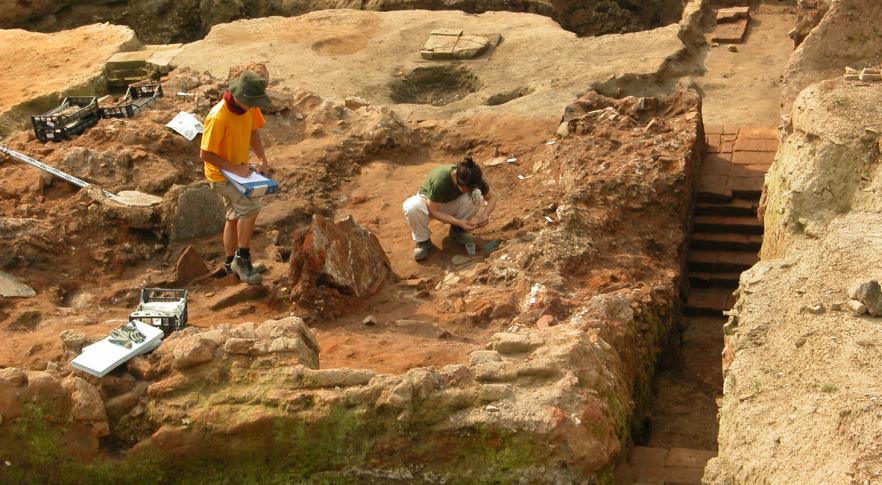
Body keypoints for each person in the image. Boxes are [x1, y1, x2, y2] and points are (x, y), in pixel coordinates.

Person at [200, 71, 272, 285]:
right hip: (220, 176)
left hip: (237, 171)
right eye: (252, 102)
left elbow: (253, 132)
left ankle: (230, 263)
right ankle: (242, 260)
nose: (254, 106)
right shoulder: (217, 117)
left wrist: (262, 158)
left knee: (233, 216)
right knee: (251, 208)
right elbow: (205, 154)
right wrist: (234, 169)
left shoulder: (250, 107)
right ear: (240, 97)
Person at [402, 153, 497, 261]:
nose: (469, 191)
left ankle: (458, 231)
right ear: (460, 182)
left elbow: (492, 197)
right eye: (468, 188)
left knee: (477, 195)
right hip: (429, 205)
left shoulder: (472, 177)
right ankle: (423, 241)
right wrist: (458, 221)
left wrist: (485, 214)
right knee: (412, 207)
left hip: (449, 204)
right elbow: (433, 211)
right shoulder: (441, 180)